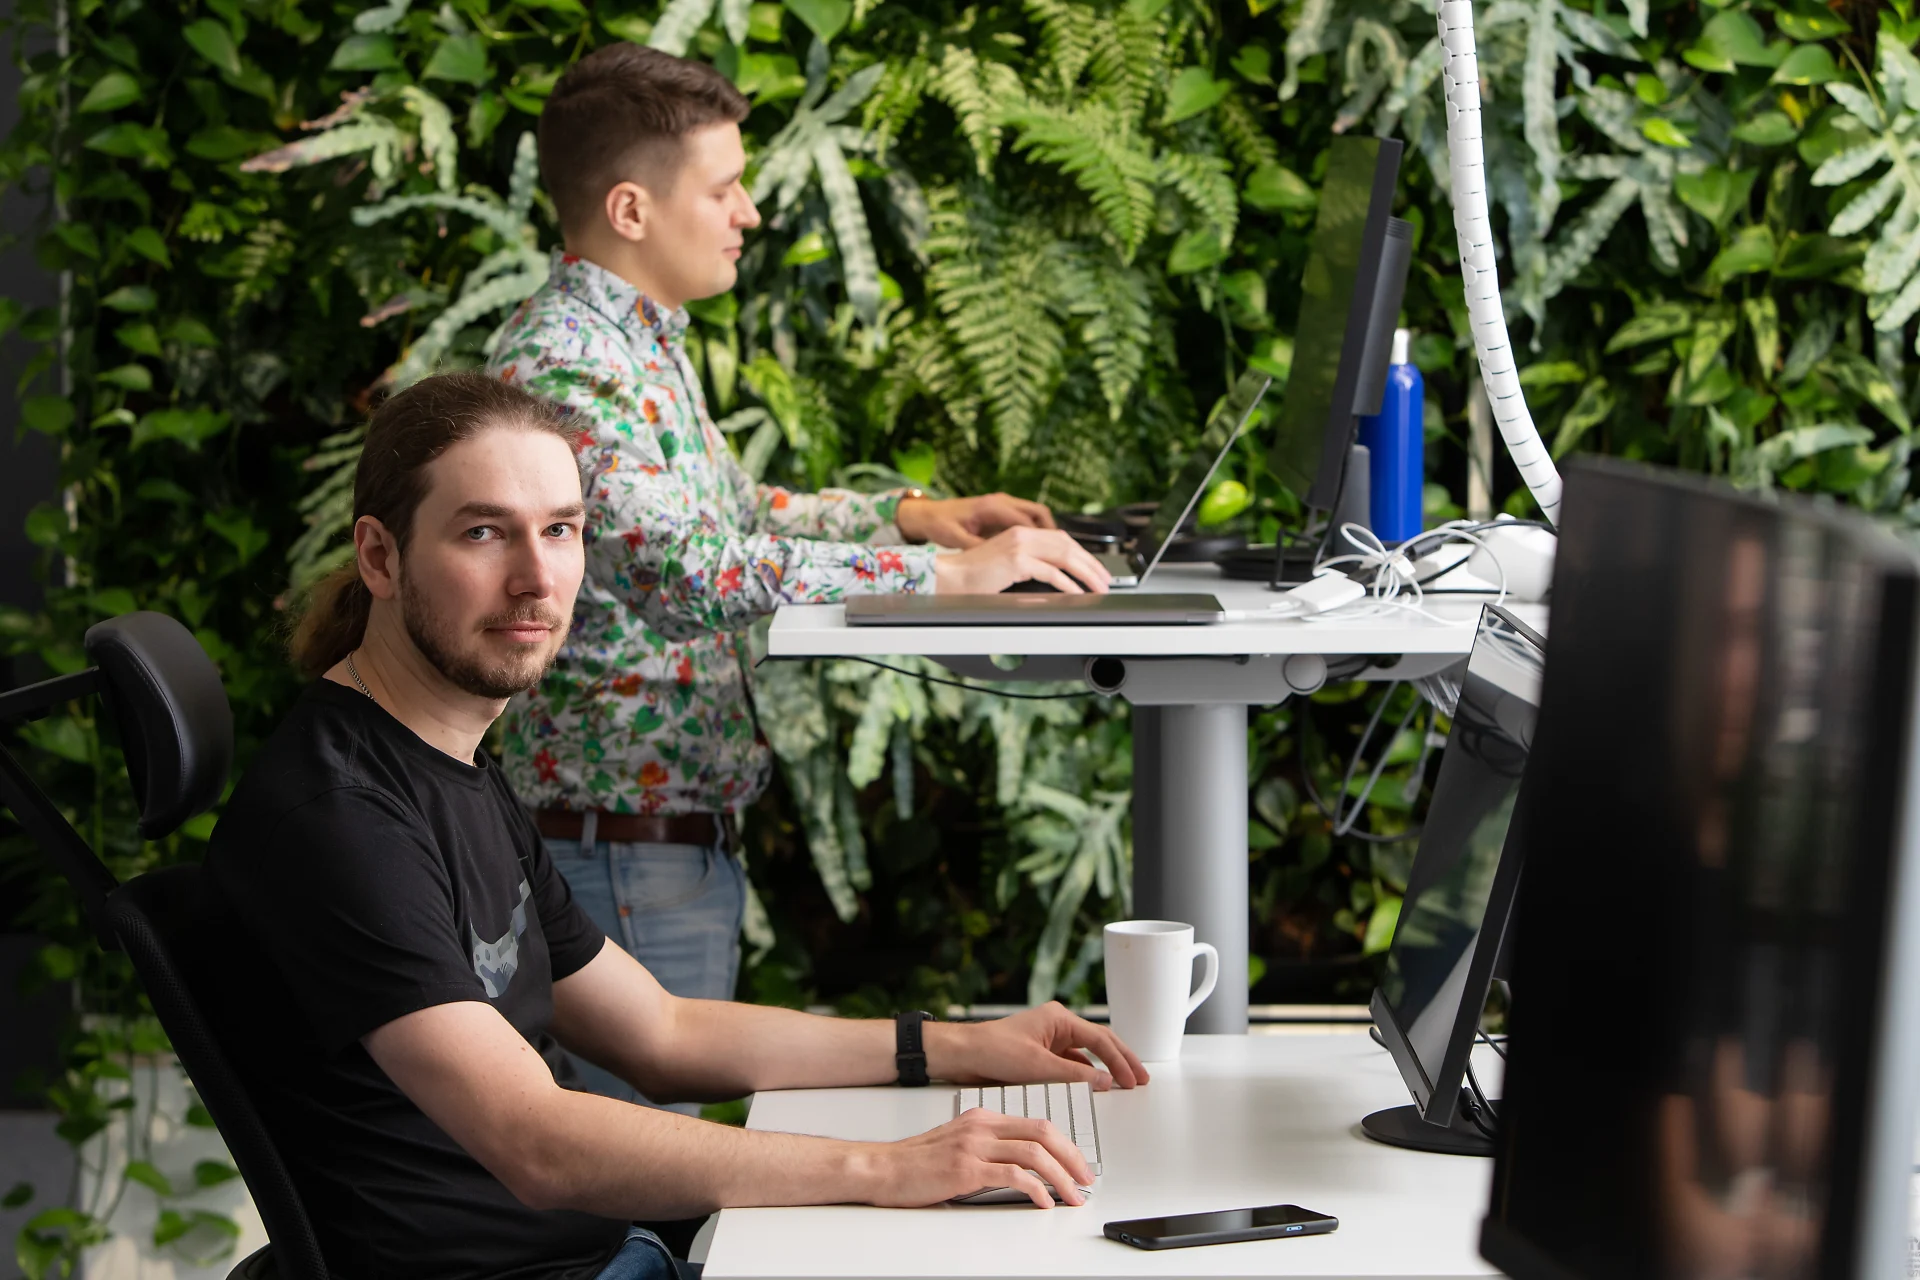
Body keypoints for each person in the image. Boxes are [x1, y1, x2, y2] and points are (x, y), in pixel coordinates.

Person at [207, 372, 1147, 1280]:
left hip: (606, 1254)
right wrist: (885, 1168)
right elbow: (536, 1142)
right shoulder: (341, 817)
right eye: (484, 532)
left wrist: (951, 1046)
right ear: (379, 556)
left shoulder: (448, 761)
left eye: (562, 531)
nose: (537, 578)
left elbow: (659, 1031)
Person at [483, 42, 1113, 1106]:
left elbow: (730, 513)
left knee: (658, 1179)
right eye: (725, 188)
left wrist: (919, 520)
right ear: (632, 209)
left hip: (652, 847)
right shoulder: (570, 365)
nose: (751, 214)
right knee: (635, 1194)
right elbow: (685, 570)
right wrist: (949, 580)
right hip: (619, 854)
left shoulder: (637, 343)